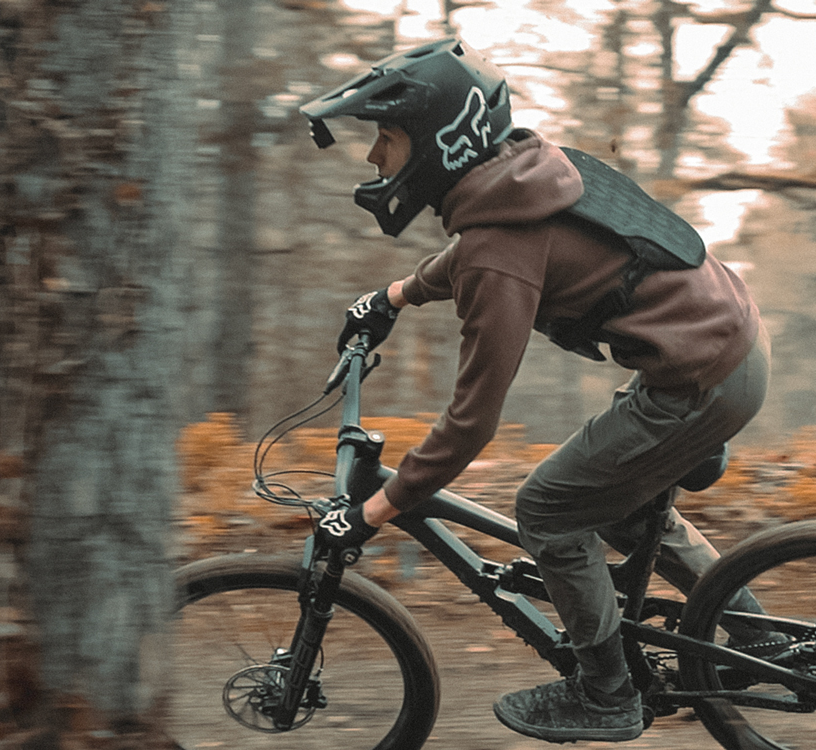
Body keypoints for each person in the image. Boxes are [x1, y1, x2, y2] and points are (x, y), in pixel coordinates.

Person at [298, 37, 772, 744]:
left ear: (437, 143)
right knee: (619, 506)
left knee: (548, 510)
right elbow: (477, 253)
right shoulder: (522, 176)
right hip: (729, 344)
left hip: (697, 376)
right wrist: (394, 295)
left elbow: (469, 423)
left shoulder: (498, 245)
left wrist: (373, 511)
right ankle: (756, 635)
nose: (373, 159)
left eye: (386, 139)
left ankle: (606, 695)